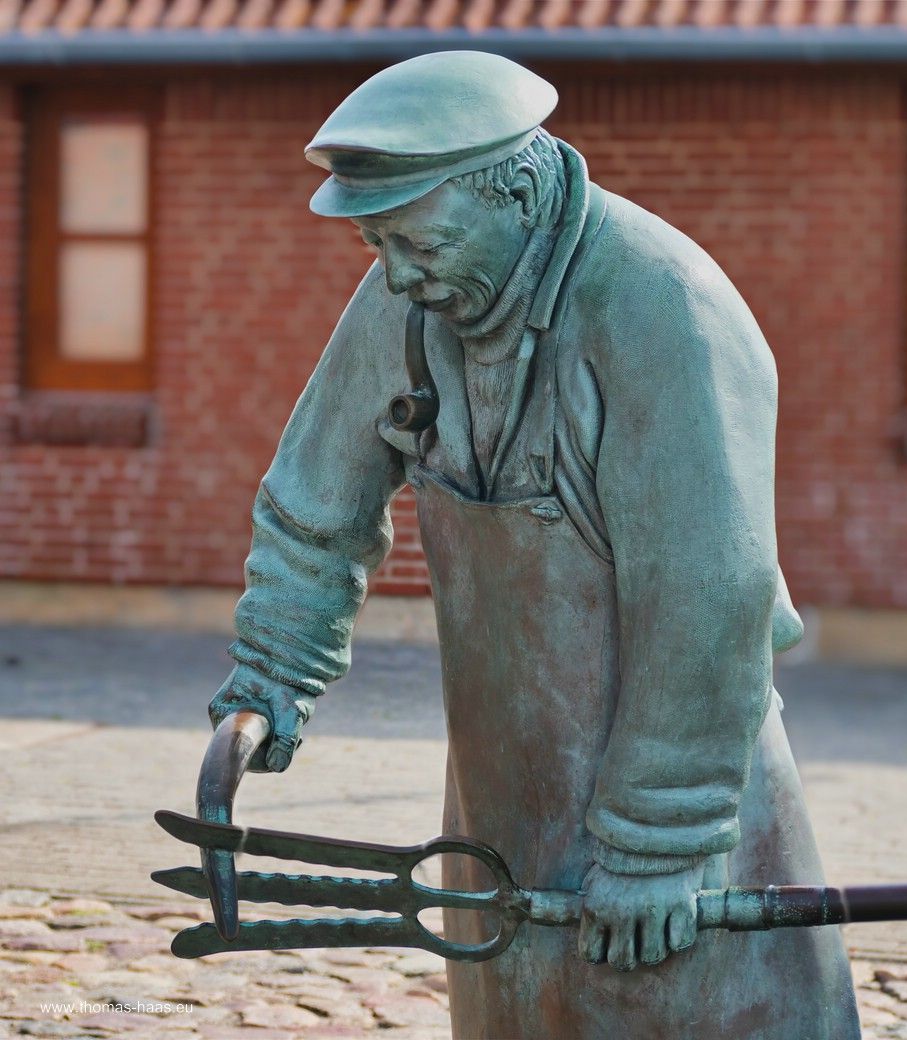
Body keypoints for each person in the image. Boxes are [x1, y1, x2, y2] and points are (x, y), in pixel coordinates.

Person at [208, 50, 861, 1039]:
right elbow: (314, 504)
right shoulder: (409, 303)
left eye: (413, 240)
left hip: (670, 795)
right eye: (374, 244)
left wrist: (658, 841)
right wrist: (268, 676)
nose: (395, 275)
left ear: (511, 188)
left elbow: (708, 592)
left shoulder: (662, 307)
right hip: (500, 786)